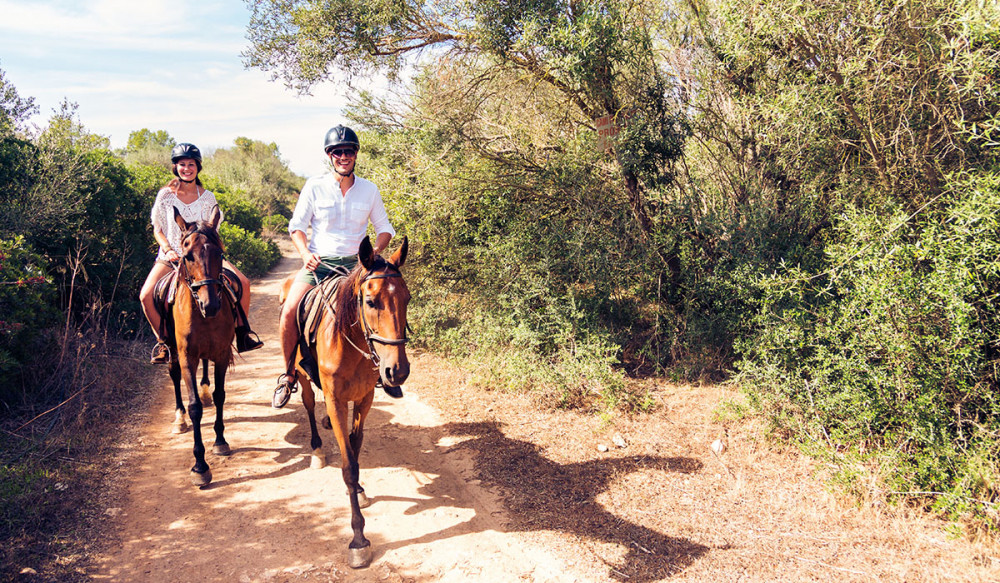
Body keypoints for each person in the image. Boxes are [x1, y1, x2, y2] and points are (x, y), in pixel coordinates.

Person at [271, 124, 396, 409]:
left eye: (348, 151)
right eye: (337, 151)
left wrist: (374, 251)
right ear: (330, 155)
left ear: (355, 154)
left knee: (385, 307)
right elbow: (297, 227)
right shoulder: (314, 186)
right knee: (289, 311)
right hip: (320, 264)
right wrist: (304, 254)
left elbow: (385, 227)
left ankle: (381, 371)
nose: (343, 156)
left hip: (357, 268)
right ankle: (288, 375)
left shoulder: (369, 189)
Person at [138, 143, 263, 364]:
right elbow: (158, 229)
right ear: (175, 167)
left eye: (191, 164)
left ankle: (243, 333)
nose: (187, 168)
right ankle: (163, 342)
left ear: (198, 167)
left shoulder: (207, 197)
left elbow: (212, 231)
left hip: (204, 257)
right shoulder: (165, 196)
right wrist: (167, 250)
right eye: (182, 164)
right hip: (172, 257)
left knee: (243, 282)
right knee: (146, 295)